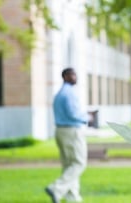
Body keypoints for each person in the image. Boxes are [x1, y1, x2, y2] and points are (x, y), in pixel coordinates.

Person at [45, 68, 91, 203]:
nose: (75, 77)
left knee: (68, 165)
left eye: (75, 74)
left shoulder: (59, 93)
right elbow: (73, 114)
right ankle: (56, 188)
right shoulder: (69, 93)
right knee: (79, 163)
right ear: (64, 76)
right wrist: (87, 117)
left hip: (61, 131)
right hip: (72, 131)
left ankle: (73, 198)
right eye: (71, 74)